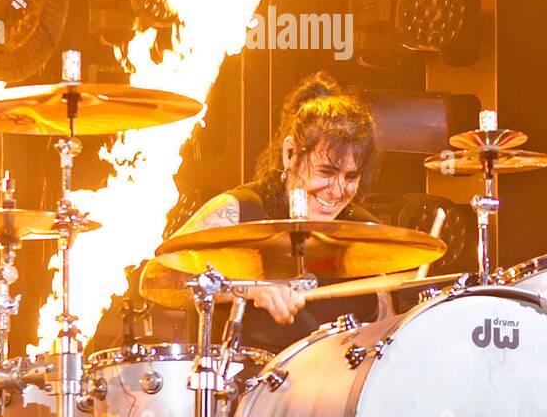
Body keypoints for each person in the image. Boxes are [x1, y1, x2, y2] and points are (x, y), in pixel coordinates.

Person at [141, 72, 385, 352]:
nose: (338, 190)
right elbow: (156, 278)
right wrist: (249, 288)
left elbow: (386, 334)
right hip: (243, 387)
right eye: (326, 172)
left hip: (336, 390)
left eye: (351, 177)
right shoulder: (241, 210)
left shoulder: (367, 236)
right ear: (290, 153)